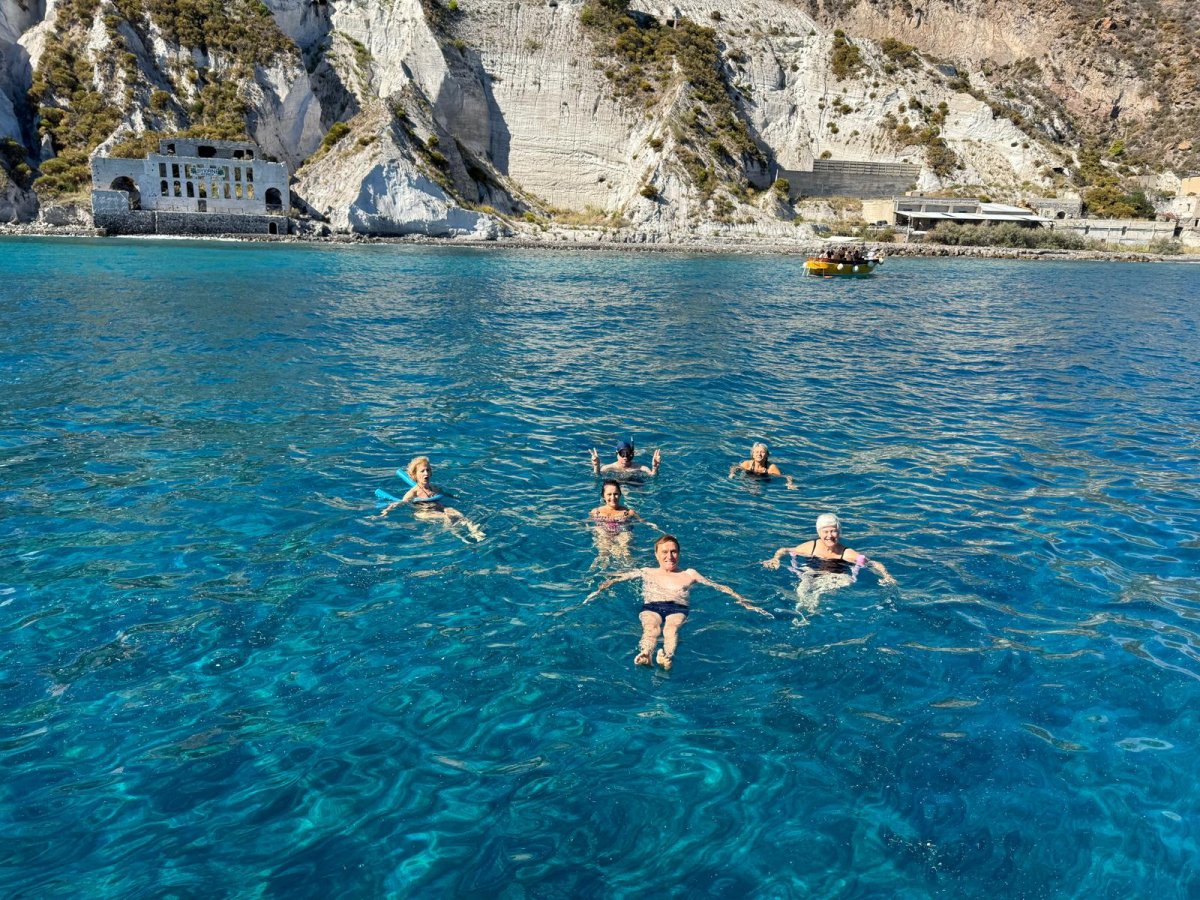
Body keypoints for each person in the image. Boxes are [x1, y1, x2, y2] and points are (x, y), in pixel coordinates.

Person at [585, 534, 771, 670]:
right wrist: (598, 590)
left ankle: (666, 657)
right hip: (652, 606)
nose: (669, 556)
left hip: (678, 609)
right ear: (656, 554)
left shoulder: (689, 574)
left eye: (674, 552)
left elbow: (718, 586)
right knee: (651, 627)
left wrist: (743, 601)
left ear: (679, 554)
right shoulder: (647, 571)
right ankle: (646, 654)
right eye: (664, 552)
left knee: (670, 629)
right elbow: (618, 578)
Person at [762, 513, 894, 615]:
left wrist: (886, 576)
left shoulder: (846, 553)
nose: (829, 535)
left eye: (833, 531)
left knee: (824, 589)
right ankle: (803, 611)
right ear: (819, 533)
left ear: (839, 532)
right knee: (802, 589)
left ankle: (813, 606)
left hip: (835, 576)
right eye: (825, 532)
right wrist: (775, 559)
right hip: (812, 572)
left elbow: (874, 563)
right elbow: (784, 549)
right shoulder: (811, 547)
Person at [377, 456, 484, 541]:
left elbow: (445, 494)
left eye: (428, 470)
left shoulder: (434, 488)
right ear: (415, 475)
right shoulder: (413, 492)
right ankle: (459, 536)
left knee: (458, 514)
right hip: (422, 512)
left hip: (440, 507)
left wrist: (456, 498)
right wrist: (385, 512)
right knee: (446, 517)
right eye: (422, 471)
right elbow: (401, 502)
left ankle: (475, 532)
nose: (426, 473)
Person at [729, 442, 796, 489]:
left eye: (762, 452)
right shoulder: (747, 464)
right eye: (757, 452)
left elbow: (787, 476)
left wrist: (790, 484)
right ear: (753, 454)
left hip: (763, 483)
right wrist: (732, 474)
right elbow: (734, 467)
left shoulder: (771, 468)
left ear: (767, 455)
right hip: (748, 480)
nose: (759, 454)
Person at [590, 440, 660, 476]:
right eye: (622, 454)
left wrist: (655, 467)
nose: (625, 457)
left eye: (628, 453)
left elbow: (653, 476)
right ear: (617, 454)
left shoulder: (641, 468)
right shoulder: (608, 468)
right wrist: (596, 466)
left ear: (632, 454)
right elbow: (597, 476)